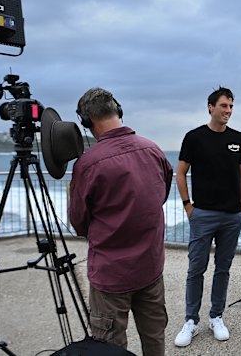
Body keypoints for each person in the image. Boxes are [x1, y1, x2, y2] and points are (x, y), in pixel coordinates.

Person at [69, 87, 173, 355]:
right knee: (155, 340)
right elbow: (159, 196)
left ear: (86, 120)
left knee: (109, 348)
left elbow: (79, 223)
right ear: (118, 111)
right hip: (150, 267)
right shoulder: (153, 150)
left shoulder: (88, 164)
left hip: (111, 276)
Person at [174, 86, 241, 347]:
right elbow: (180, 172)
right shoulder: (194, 137)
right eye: (223, 106)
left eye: (231, 106)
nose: (228, 111)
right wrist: (188, 206)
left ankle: (216, 316)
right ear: (210, 107)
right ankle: (191, 321)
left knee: (223, 269)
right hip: (203, 214)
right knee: (196, 269)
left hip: (232, 217)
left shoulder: (238, 138)